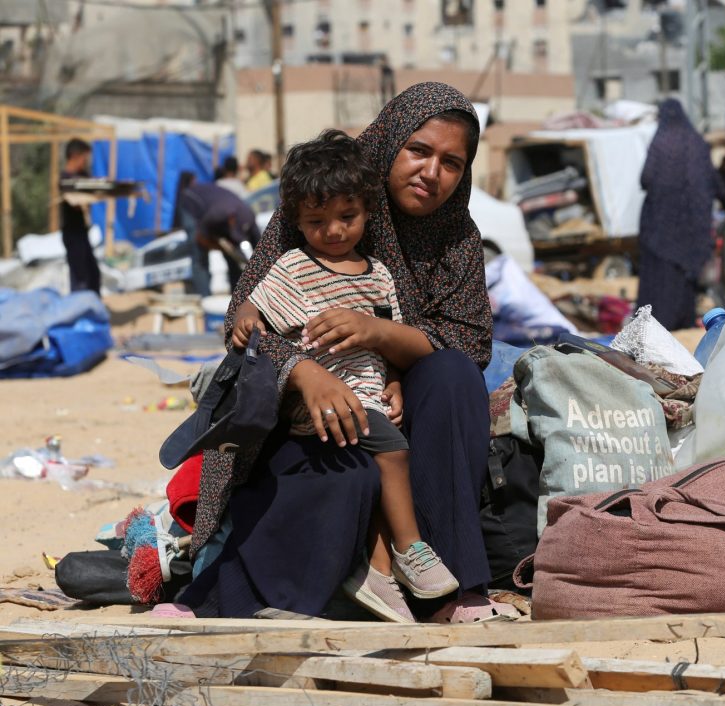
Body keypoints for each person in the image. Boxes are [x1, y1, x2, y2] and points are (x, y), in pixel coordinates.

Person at [178, 82, 508, 623]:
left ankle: (452, 589)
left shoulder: (458, 238)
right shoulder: (327, 201)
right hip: (303, 412)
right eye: (419, 151)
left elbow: (469, 342)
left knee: (452, 375)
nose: (432, 173)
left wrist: (376, 335)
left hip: (393, 402)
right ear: (388, 145)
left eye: (452, 162)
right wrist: (305, 373)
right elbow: (246, 319)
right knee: (349, 472)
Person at [231, 130, 460, 623]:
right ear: (296, 221)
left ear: (367, 210)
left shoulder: (377, 274)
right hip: (322, 405)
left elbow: (392, 343)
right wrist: (247, 317)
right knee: (393, 451)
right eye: (316, 222)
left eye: (346, 218)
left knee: (376, 467)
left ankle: (375, 573)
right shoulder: (294, 266)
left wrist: (395, 382)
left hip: (368, 395)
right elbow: (254, 304)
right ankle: (410, 548)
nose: (334, 231)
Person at [635, 98, 716, 331]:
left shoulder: (661, 143)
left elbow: (646, 178)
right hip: (691, 226)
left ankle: (657, 323)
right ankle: (683, 319)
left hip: (660, 223)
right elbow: (712, 180)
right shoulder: (697, 143)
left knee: (660, 277)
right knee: (684, 277)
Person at [178, 178, 260, 296]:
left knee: (232, 258)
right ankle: (205, 299)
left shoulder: (250, 219)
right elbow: (200, 238)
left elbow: (261, 250)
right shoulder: (217, 214)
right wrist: (219, 247)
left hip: (217, 211)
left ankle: (237, 298)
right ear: (230, 220)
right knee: (199, 255)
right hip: (191, 204)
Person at [59, 138, 101, 295]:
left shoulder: (83, 176)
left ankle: (93, 310)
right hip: (72, 234)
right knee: (80, 279)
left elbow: (95, 188)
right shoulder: (66, 180)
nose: (85, 162)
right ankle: (80, 314)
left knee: (93, 275)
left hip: (83, 233)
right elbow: (76, 200)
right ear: (75, 156)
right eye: (84, 158)